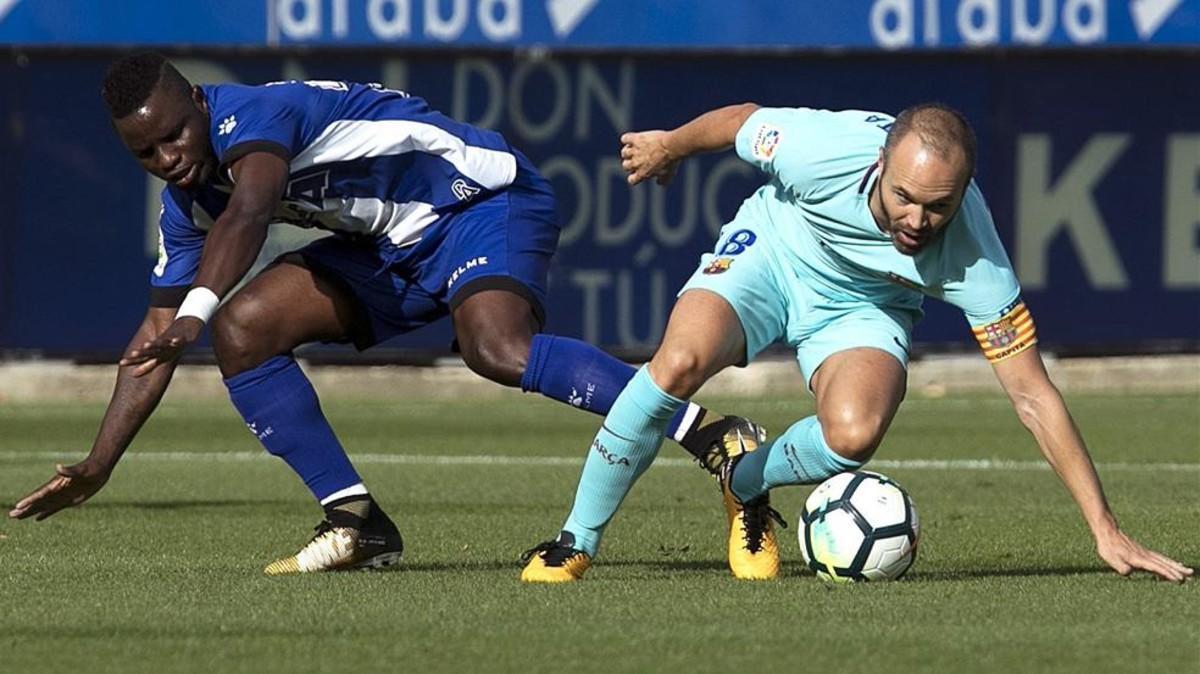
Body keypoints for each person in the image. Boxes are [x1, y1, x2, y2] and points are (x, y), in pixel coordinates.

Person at [6, 53, 755, 575]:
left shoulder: (254, 114)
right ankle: (355, 521)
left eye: (174, 134)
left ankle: (712, 433)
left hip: (477, 202)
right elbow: (151, 338)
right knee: (245, 330)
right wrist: (100, 464)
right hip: (388, 244)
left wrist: (196, 310)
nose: (168, 157)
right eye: (146, 153)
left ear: (199, 103)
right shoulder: (186, 202)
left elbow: (254, 209)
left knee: (495, 347)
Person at [519, 102, 1194, 584]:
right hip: (773, 257)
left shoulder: (977, 258)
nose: (917, 219)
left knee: (854, 434)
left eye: (939, 205)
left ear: (965, 192)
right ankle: (577, 538)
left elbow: (1033, 396)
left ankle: (744, 479)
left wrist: (1104, 528)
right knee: (678, 363)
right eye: (905, 197)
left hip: (864, 309)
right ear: (879, 163)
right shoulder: (822, 148)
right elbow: (740, 121)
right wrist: (669, 146)